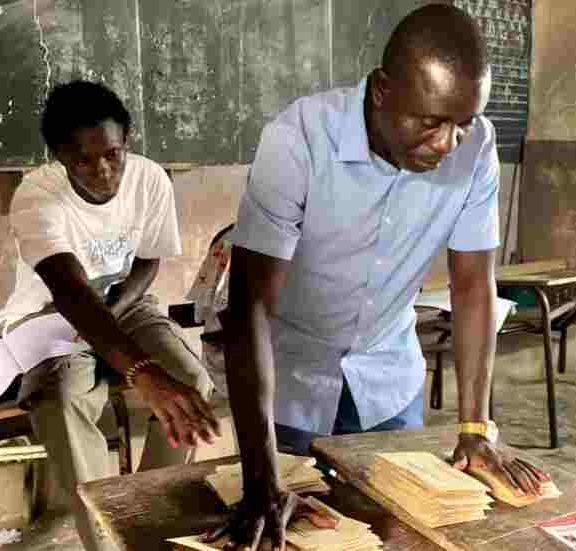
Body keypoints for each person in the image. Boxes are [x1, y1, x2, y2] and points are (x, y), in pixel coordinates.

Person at [209, 5, 544, 549]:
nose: (447, 144)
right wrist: (261, 476)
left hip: (388, 384)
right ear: (382, 90)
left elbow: (473, 288)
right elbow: (250, 308)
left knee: (394, 534)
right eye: (431, 122)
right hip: (292, 385)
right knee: (292, 535)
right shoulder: (298, 139)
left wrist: (475, 429)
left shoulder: (476, 147)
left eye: (462, 123)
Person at [0, 80, 219, 551]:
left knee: (191, 384)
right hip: (51, 314)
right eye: (83, 160)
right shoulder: (37, 197)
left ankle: (154, 513)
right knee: (63, 399)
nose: (102, 170)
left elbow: (148, 260)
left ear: (127, 141)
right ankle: (106, 534)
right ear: (59, 155)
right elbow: (71, 293)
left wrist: (116, 312)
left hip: (125, 303)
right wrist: (140, 370)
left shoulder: (150, 179)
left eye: (112, 155)